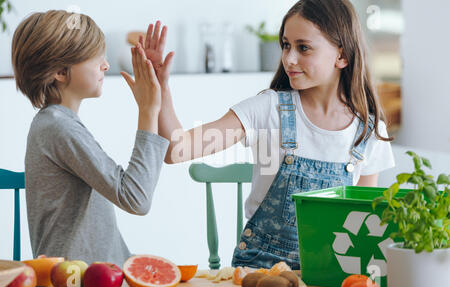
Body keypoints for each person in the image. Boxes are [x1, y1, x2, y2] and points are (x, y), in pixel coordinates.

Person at [143, 0, 395, 270]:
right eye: (286, 45)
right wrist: (160, 89)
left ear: (342, 56)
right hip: (258, 273)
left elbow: (364, 226)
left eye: (303, 47)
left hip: (329, 278)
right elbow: (176, 150)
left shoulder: (368, 133)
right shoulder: (267, 110)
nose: (289, 58)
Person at [11, 10, 168, 266]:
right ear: (61, 71)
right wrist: (148, 109)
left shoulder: (57, 122)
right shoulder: (58, 127)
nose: (106, 65)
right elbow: (136, 198)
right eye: (96, 58)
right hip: (77, 282)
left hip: (94, 274)